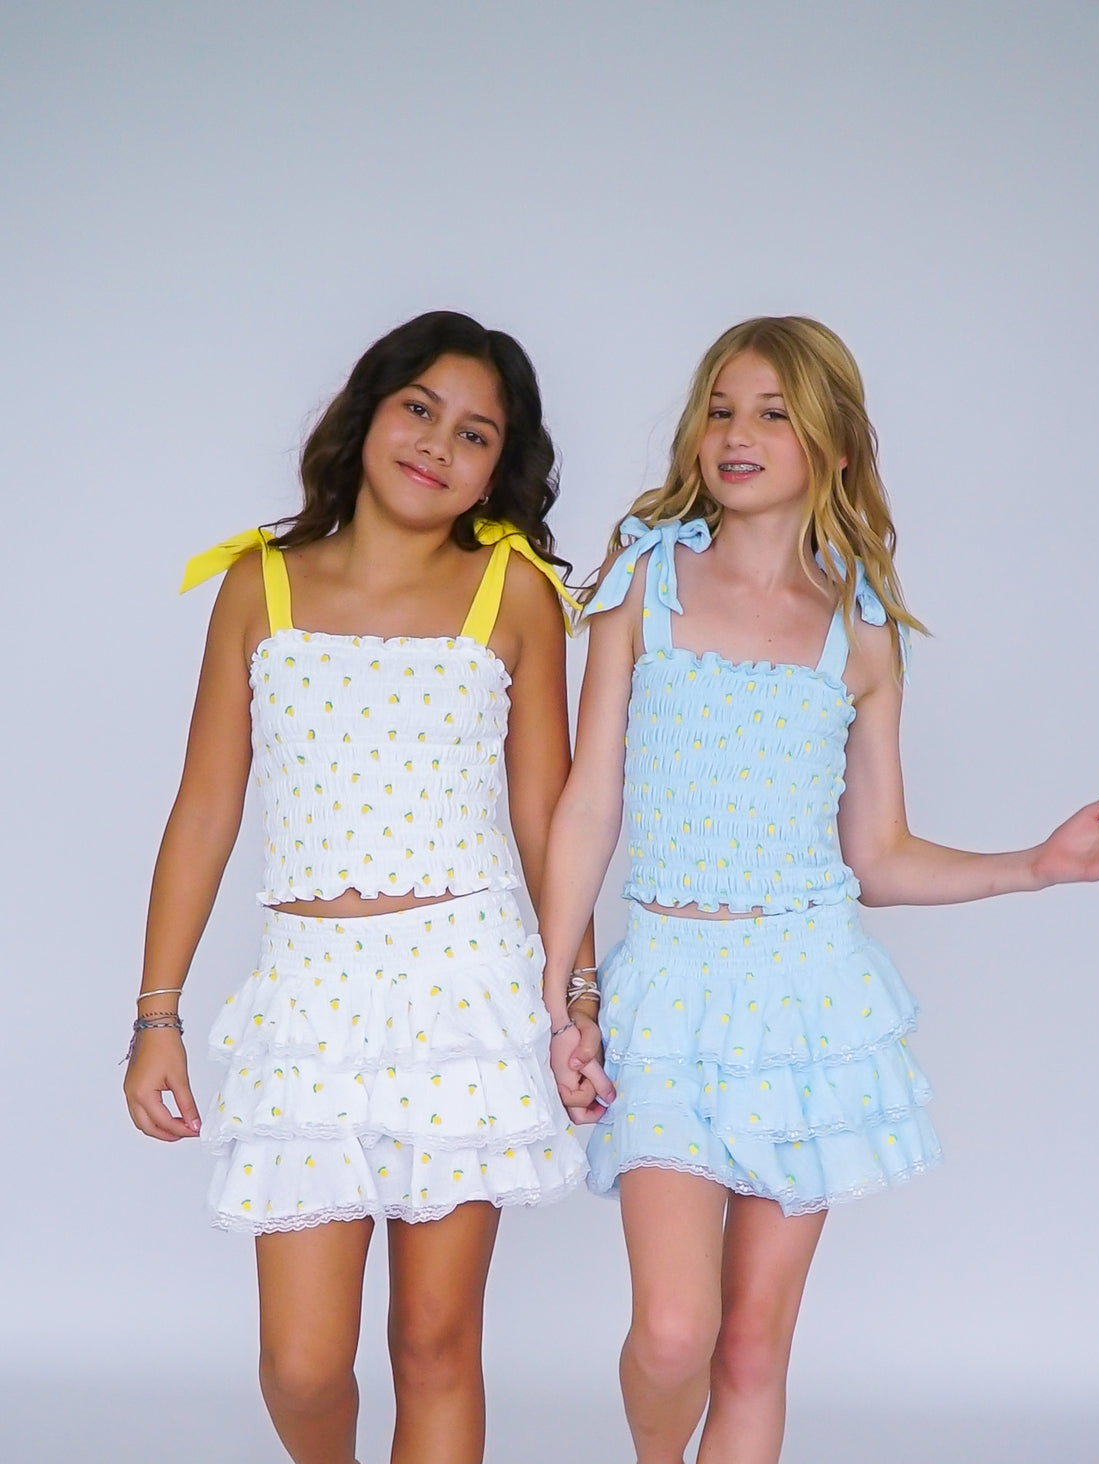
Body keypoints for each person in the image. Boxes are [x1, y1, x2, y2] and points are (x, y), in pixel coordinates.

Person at [538, 315, 1099, 1464]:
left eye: (773, 413)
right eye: (721, 410)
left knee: (750, 1350)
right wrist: (561, 995)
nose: (738, 433)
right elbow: (588, 803)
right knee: (674, 1334)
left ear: (830, 444)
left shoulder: (860, 635)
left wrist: (1037, 863)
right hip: (666, 994)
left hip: (807, 1003)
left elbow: (877, 856)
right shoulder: (643, 586)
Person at [123, 310, 593, 1464]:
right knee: (302, 1365)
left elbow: (548, 819)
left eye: (475, 433)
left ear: (501, 465)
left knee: (435, 1342)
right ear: (367, 411)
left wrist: (576, 997)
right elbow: (205, 811)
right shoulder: (260, 585)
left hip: (465, 992)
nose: (438, 444)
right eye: (419, 409)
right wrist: (155, 1016)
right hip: (309, 999)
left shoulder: (513, 595)